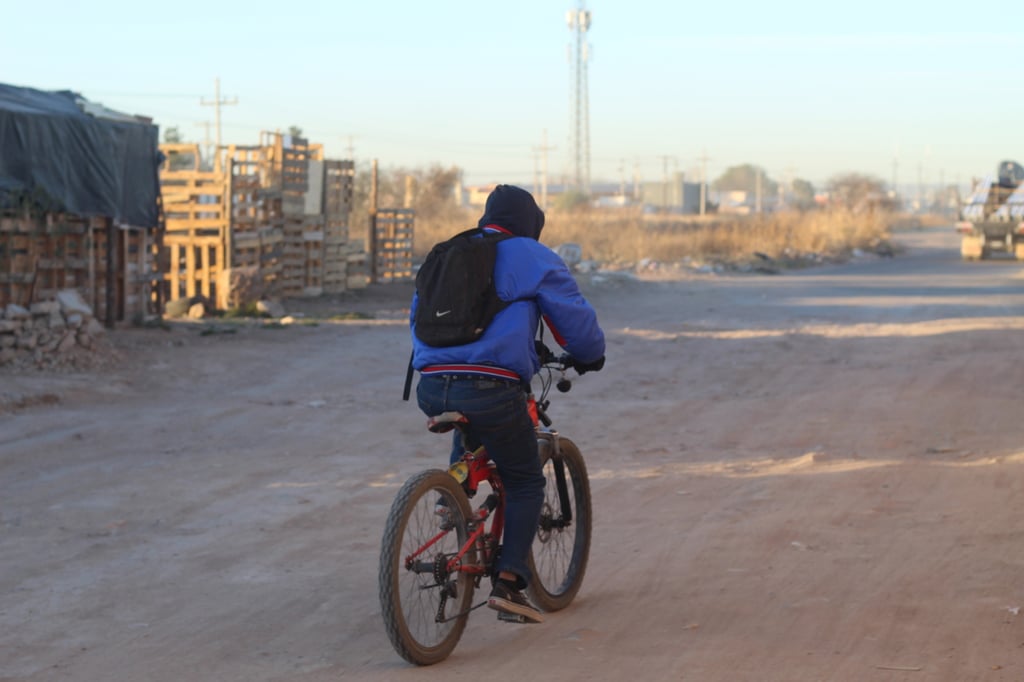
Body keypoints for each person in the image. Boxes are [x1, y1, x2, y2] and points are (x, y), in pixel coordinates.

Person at [410, 184, 606, 624]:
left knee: (474, 423)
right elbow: (574, 320)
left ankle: (454, 493)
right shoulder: (532, 256)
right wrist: (590, 355)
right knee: (525, 481)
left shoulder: (447, 251)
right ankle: (511, 582)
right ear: (530, 223)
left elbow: (418, 317)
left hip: (432, 386)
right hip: (492, 388)